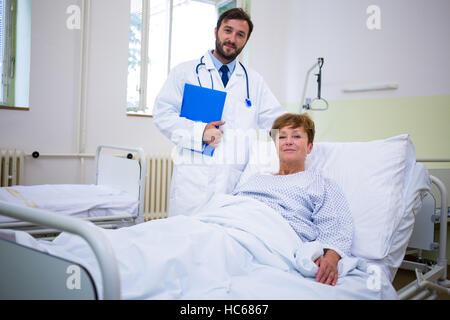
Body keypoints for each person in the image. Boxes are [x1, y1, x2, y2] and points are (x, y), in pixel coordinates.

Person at [153, 8, 286, 217]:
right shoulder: (185, 73)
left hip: (231, 183)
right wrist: (199, 132)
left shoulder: (254, 81)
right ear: (216, 31)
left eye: (240, 34)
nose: (232, 39)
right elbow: (162, 114)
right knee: (185, 241)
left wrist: (294, 139)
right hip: (193, 182)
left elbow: (277, 121)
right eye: (228, 30)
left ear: (246, 40)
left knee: (223, 244)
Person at [232, 113, 354, 286]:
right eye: (282, 137)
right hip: (236, 230)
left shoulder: (319, 183)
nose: (288, 141)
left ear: (309, 147)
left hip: (274, 241)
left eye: (296, 136)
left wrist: (331, 258)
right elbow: (231, 208)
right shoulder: (256, 179)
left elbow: (336, 225)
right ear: (276, 145)